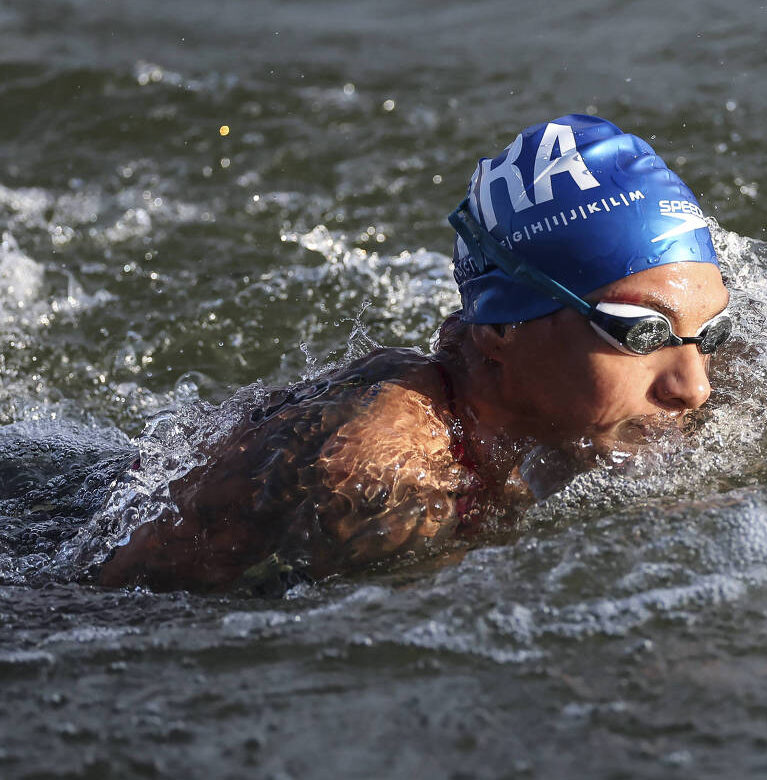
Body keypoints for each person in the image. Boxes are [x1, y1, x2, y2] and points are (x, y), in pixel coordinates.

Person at [96, 114, 734, 592]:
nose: (692, 384)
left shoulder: (569, 399)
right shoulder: (388, 475)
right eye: (639, 331)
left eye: (709, 330)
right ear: (500, 329)